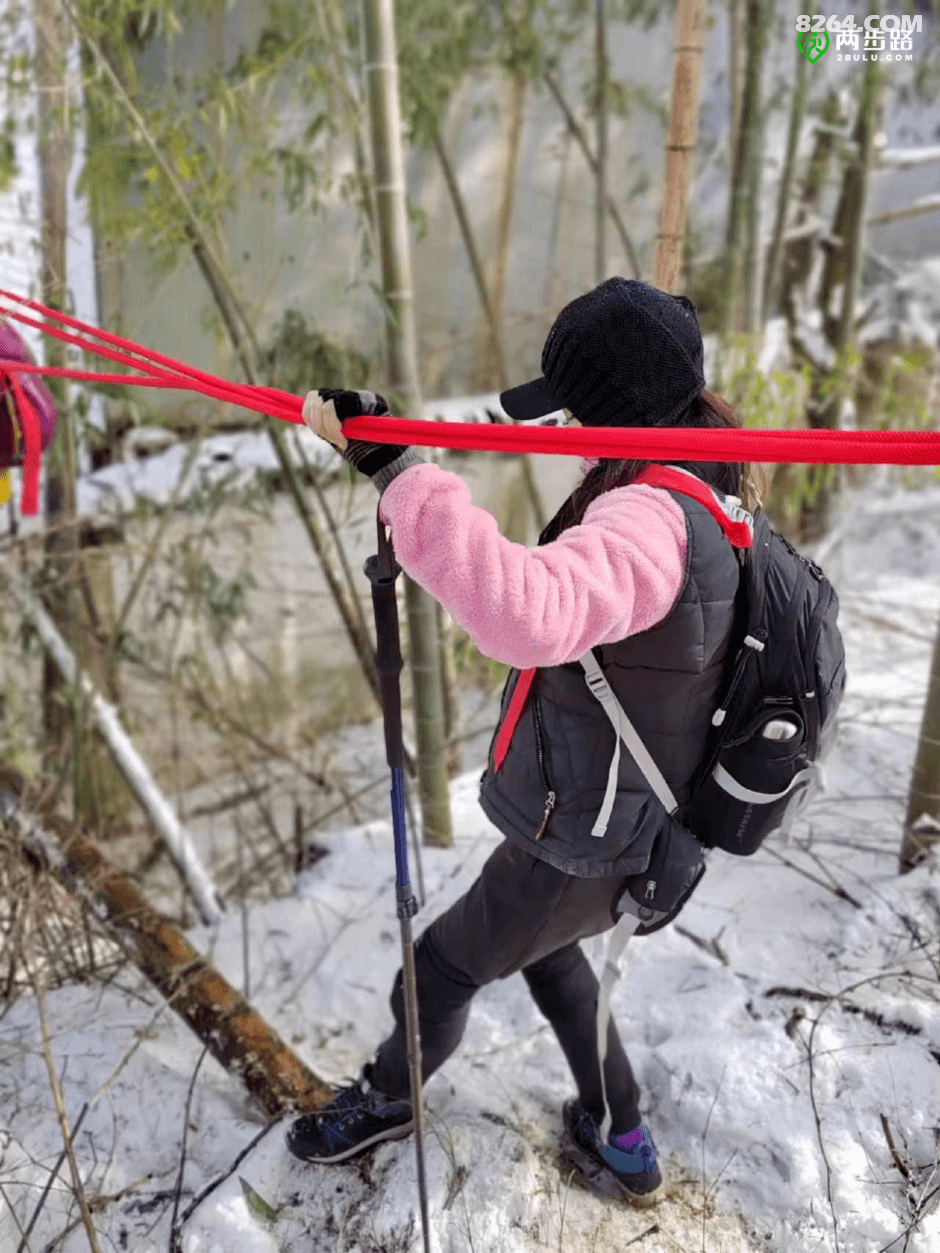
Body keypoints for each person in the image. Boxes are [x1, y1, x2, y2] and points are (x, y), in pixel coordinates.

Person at [287, 278, 759, 1207]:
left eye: (577, 408)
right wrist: (396, 447)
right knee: (548, 951)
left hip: (586, 834)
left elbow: (527, 612)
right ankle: (623, 1132)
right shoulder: (711, 479)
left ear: (617, 410)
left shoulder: (650, 516)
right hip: (633, 816)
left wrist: (402, 480)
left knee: (437, 969)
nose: (567, 424)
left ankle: (389, 1097)